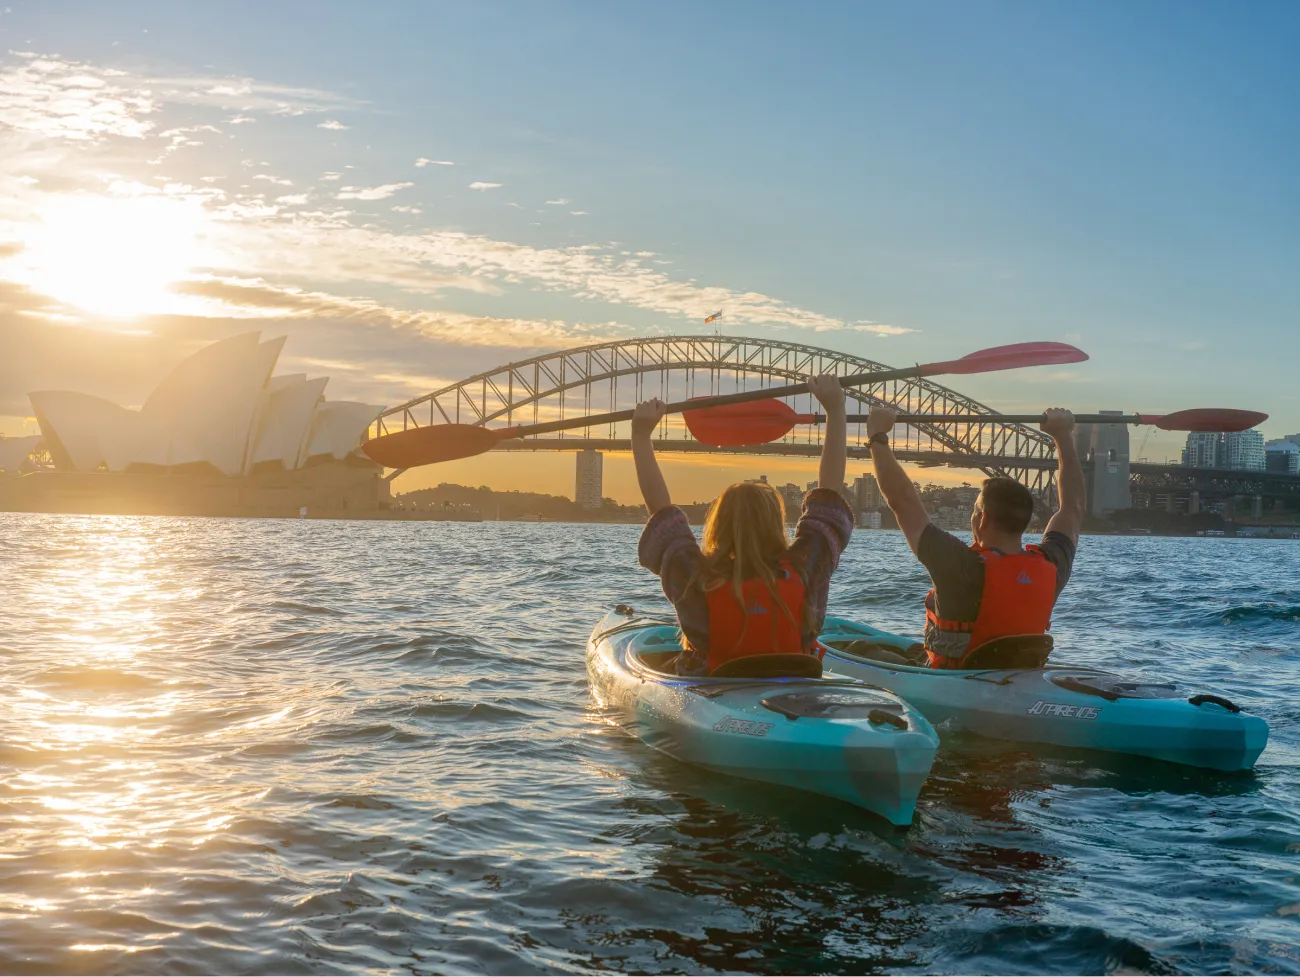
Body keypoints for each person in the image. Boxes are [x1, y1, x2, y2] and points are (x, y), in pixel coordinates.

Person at [634, 376, 854, 676]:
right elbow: (829, 494)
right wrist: (835, 410)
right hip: (796, 683)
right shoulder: (806, 565)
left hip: (717, 686)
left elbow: (661, 511)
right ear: (775, 523)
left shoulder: (695, 576)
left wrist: (641, 435)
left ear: (718, 525)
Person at [865, 405, 1084, 669]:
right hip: (1019, 676)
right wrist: (1062, 436)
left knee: (859, 648)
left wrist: (877, 435)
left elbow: (902, 501)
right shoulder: (1052, 565)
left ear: (982, 518)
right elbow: (1073, 507)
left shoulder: (962, 567)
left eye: (974, 510)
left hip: (951, 682)